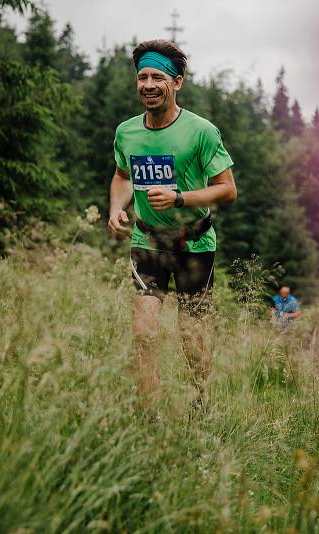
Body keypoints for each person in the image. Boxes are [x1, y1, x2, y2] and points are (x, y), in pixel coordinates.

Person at [107, 39, 236, 413]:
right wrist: (117, 208)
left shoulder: (201, 132)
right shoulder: (126, 132)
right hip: (146, 240)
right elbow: (122, 177)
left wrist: (180, 198)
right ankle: (150, 417)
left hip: (193, 244)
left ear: (177, 83)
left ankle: (201, 400)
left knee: (191, 335)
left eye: (157, 77)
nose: (147, 85)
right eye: (142, 77)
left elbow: (227, 191)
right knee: (144, 332)